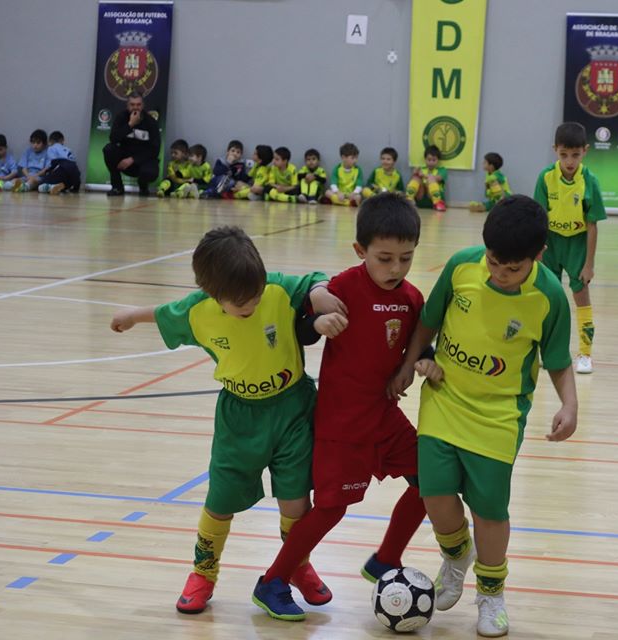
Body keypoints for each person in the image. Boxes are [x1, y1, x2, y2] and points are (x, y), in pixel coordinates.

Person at [109, 226, 348, 616]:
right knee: (220, 503)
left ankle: (296, 565)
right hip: (239, 418)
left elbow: (314, 280)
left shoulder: (274, 288)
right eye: (242, 303)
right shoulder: (198, 311)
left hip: (294, 411)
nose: (253, 304)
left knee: (296, 502)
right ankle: (203, 572)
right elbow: (165, 312)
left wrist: (319, 296)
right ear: (213, 295)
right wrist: (132, 316)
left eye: (256, 296)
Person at [390, 195, 578, 637]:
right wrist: (410, 365)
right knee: (434, 495)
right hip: (444, 397)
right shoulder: (461, 267)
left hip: (499, 415)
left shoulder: (549, 295)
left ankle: (491, 593)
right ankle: (456, 557)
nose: (499, 274)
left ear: (538, 256)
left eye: (512, 268)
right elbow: (428, 324)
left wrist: (569, 405)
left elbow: (557, 360)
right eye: (493, 262)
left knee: (490, 512)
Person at [254, 192, 440, 620]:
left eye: (406, 258)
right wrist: (316, 321)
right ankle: (272, 581)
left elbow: (418, 341)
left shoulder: (411, 298)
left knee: (432, 481)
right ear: (361, 251)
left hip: (385, 416)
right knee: (331, 509)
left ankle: (385, 559)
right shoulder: (341, 288)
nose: (396, 269)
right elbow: (300, 327)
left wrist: (420, 363)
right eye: (385, 258)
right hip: (342, 424)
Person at [533, 122, 606, 375]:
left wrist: (589, 264)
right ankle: (549, 350)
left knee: (580, 297)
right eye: (564, 155)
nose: (569, 161)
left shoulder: (590, 181)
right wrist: (537, 250)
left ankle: (585, 354)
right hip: (550, 243)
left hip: (577, 244)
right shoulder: (545, 177)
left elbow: (592, 225)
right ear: (555, 150)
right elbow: (539, 217)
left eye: (575, 155)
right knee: (548, 298)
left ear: (585, 151)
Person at [102, 93, 160, 196]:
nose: (135, 107)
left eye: (138, 104)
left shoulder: (151, 122)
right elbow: (113, 139)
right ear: (127, 105)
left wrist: (133, 159)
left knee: (150, 172)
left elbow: (155, 150)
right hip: (123, 161)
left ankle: (143, 187)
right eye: (132, 104)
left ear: (143, 105)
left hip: (142, 161)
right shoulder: (121, 117)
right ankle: (117, 187)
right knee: (108, 149)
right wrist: (130, 125)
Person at [405, 145, 447, 212]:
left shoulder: (442, 170)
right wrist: (415, 174)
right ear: (425, 159)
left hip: (432, 200)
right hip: (420, 199)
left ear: (438, 160)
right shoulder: (421, 169)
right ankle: (408, 200)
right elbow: (413, 180)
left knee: (431, 179)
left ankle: (437, 202)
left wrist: (424, 175)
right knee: (416, 177)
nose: (431, 162)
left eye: (434, 160)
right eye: (429, 160)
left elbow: (438, 178)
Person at [324, 142, 363, 206]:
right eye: (353, 158)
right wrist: (338, 193)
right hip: (339, 194)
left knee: (358, 197)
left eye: (356, 158)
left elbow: (359, 185)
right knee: (327, 192)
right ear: (343, 157)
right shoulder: (337, 169)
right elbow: (333, 184)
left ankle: (336, 201)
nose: (355, 160)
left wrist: (354, 193)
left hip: (351, 194)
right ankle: (348, 203)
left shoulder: (358, 170)